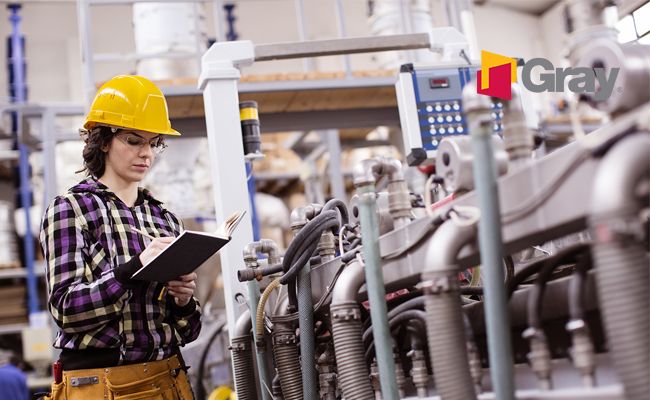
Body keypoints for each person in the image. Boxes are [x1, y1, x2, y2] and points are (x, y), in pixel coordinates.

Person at [39, 75, 201, 400]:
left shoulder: (163, 220)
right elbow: (66, 310)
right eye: (133, 140)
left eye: (153, 143)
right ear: (102, 140)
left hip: (167, 376)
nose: (147, 154)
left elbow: (189, 332)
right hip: (101, 384)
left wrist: (182, 302)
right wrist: (132, 271)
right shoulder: (70, 210)